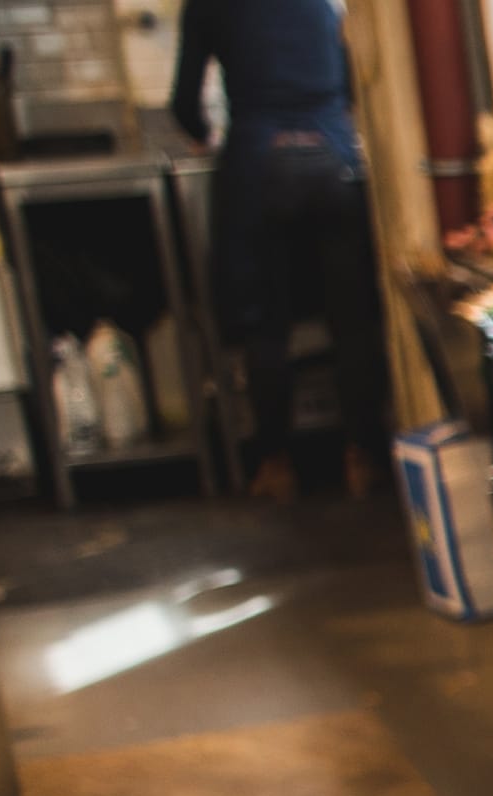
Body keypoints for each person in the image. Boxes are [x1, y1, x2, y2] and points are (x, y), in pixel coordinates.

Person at [175, 0, 389, 499]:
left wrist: (203, 135)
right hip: (334, 159)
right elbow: (351, 81)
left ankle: (275, 465)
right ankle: (362, 458)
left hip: (259, 166)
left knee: (265, 325)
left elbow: (184, 102)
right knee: (353, 319)